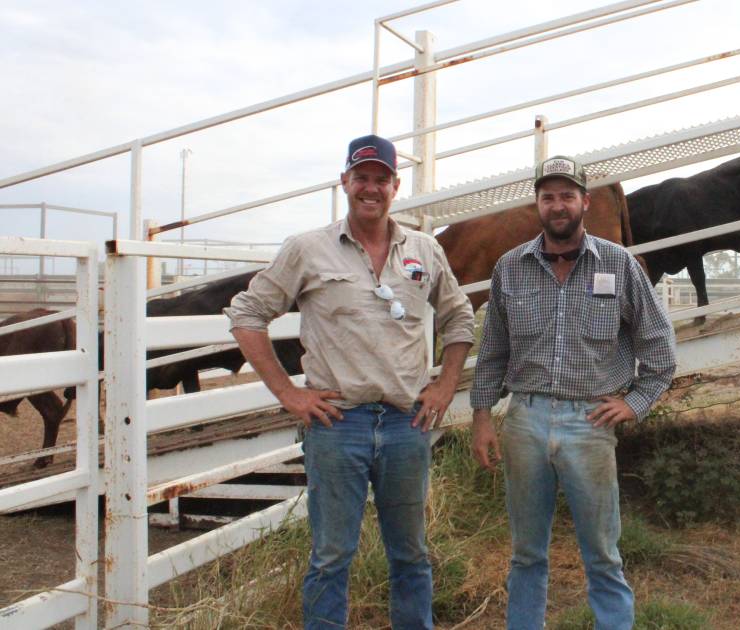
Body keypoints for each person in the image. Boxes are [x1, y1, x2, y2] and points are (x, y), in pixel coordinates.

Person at [225, 134, 475, 629]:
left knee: (411, 555)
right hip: (338, 425)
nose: (371, 188)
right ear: (344, 182)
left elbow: (459, 316)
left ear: (394, 186)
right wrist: (288, 393)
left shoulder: (423, 250)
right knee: (330, 557)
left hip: (407, 424)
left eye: (381, 179)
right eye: (361, 177)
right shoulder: (307, 249)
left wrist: (446, 386)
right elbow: (246, 313)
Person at [469, 155, 677, 629]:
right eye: (548, 197)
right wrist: (482, 417)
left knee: (602, 553)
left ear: (584, 201)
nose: (557, 205)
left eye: (567, 195)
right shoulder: (510, 269)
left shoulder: (620, 265)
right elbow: (494, 353)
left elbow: (661, 351)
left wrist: (635, 402)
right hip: (525, 421)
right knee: (525, 554)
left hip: (590, 423)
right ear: (537, 205)